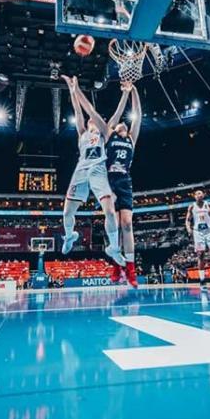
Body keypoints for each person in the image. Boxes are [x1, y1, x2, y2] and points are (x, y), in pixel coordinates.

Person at [60, 75, 126, 267]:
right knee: (66, 213)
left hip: (98, 171)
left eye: (95, 119)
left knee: (111, 213)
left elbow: (118, 114)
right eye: (90, 120)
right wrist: (73, 89)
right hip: (80, 171)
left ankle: (114, 248)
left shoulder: (105, 134)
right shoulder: (82, 133)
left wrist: (125, 94)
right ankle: (70, 235)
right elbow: (77, 110)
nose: (91, 120)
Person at [93, 82, 141, 286]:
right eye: (119, 123)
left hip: (125, 181)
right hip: (109, 180)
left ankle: (129, 267)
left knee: (127, 224)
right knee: (111, 217)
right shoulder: (109, 136)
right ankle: (115, 261)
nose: (122, 123)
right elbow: (111, 117)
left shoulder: (131, 139)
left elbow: (138, 113)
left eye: (124, 123)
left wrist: (134, 90)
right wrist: (123, 94)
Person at [185, 189, 210, 289]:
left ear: (203, 195)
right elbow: (188, 220)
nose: (198, 195)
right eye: (196, 194)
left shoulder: (209, 204)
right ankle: (202, 279)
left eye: (200, 193)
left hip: (209, 230)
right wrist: (188, 228)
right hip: (198, 231)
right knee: (200, 254)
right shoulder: (192, 206)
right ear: (194, 196)